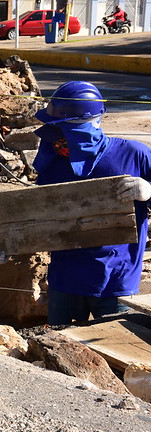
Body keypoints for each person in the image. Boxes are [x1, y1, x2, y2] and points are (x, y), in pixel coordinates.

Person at [31, 81, 151, 324]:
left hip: (116, 281)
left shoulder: (133, 155)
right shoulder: (53, 162)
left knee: (117, 352)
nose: (56, 137)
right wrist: (3, 244)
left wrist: (148, 190)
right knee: (60, 348)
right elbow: (36, 217)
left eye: (62, 128)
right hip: (65, 280)